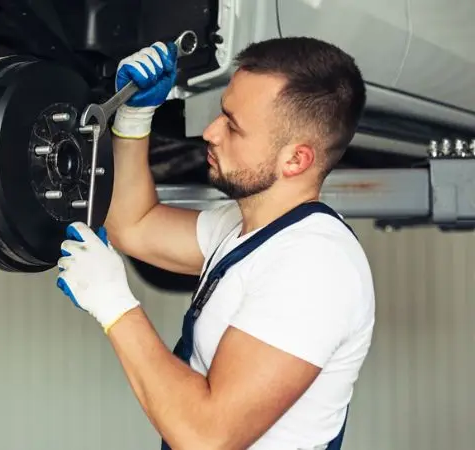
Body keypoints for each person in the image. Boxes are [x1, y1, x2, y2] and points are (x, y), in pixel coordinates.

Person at [55, 36, 376, 450]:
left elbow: (206, 437)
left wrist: (115, 305)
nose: (209, 132)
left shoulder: (315, 269)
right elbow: (134, 226)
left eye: (233, 126)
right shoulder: (252, 228)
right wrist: (135, 118)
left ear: (296, 159)